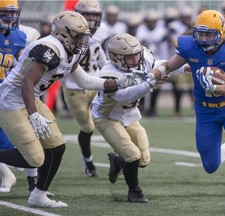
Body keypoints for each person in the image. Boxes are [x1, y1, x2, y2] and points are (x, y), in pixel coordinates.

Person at [0, 11, 134, 208]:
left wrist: (119, 83)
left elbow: (85, 81)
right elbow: (27, 83)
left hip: (30, 98)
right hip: (11, 102)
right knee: (35, 158)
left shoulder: (70, 51)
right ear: (64, 34)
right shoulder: (49, 50)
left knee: (57, 146)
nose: (83, 41)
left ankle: (38, 195)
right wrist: (34, 115)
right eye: (79, 36)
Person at [150, 10, 225, 211]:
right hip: (206, 112)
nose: (204, 39)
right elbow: (169, 66)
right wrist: (153, 75)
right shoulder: (190, 46)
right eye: (201, 34)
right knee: (210, 166)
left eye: (209, 34)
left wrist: (214, 87)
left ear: (222, 33)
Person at [92, 33, 185, 203]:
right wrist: (149, 83)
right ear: (116, 58)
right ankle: (134, 191)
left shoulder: (144, 58)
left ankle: (118, 162)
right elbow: (124, 96)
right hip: (107, 117)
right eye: (129, 57)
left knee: (143, 159)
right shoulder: (108, 74)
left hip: (129, 115)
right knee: (133, 155)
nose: (135, 60)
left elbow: (163, 65)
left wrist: (188, 67)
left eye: (137, 54)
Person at [0, 0, 41, 195]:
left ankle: (32, 182)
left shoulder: (20, 36)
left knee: (27, 137)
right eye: (5, 13)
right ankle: (9, 173)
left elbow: (23, 63)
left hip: (9, 94)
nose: (10, 17)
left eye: (13, 13)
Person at [62, 0, 107, 177]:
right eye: (87, 14)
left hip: (94, 84)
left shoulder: (101, 32)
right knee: (88, 127)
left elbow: (98, 54)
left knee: (110, 120)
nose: (91, 18)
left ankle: (120, 157)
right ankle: (87, 161)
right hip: (75, 88)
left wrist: (108, 71)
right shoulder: (67, 31)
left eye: (94, 15)